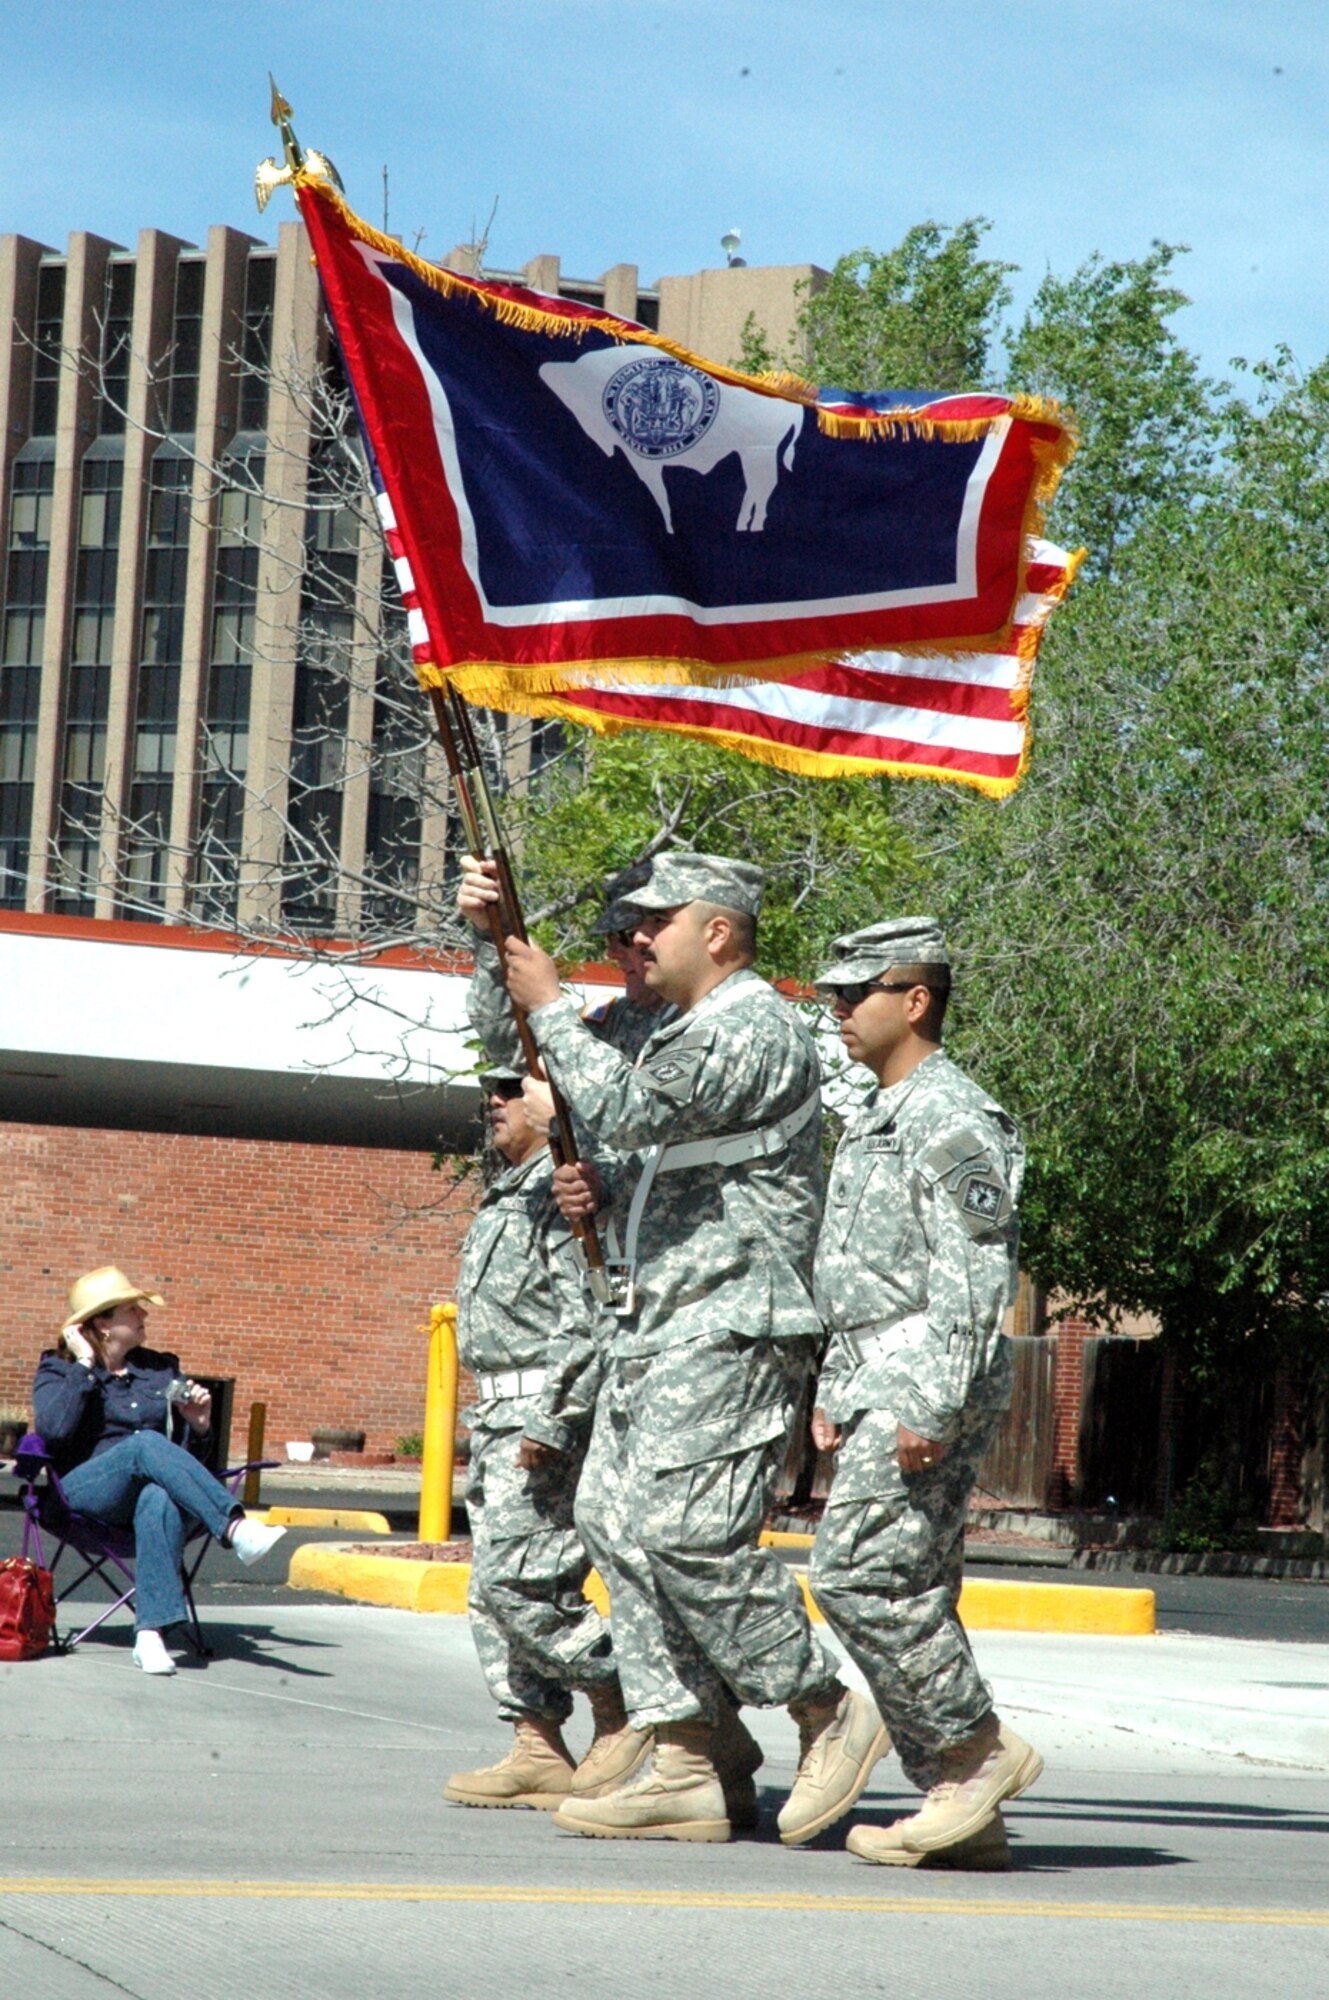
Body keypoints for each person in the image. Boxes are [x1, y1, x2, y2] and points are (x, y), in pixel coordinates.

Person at [502, 852, 887, 1845]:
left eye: (653, 921)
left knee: (684, 1528)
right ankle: (688, 1749)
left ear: (717, 930)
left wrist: (549, 1006)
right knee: (615, 1519)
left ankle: (828, 1707)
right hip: (661, 1320)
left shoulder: (753, 1021)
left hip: (732, 1321)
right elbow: (662, 1155)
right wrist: (608, 1190)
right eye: (628, 925)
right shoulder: (688, 1029)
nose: (635, 940)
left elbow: (626, 1106)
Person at [806, 919, 1043, 1869]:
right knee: (911, 1584)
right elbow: (864, 1272)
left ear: (914, 1000)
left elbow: (975, 1275)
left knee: (859, 1574)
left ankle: (978, 1754)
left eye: (854, 993)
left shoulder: (952, 1116)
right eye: (831, 995)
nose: (837, 1011)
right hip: (879, 1370)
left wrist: (932, 1403)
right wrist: (836, 1382)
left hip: (924, 1374)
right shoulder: (878, 1112)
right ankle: (961, 1808)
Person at [443, 1068, 641, 1811]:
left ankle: (625, 1699)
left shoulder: (562, 1191)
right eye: (485, 1089)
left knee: (519, 1582)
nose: (491, 1101)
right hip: (494, 1417)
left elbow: (584, 1312)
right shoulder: (511, 1190)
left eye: (507, 1086)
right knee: (490, 1594)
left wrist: (553, 1417)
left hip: (537, 1414)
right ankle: (535, 1741)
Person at [31, 1266, 286, 1675]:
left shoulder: (159, 1369)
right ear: (102, 1322)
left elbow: (187, 1457)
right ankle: (236, 1529)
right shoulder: (59, 1370)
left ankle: (149, 1635)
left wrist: (199, 1425)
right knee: (145, 1444)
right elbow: (54, 1430)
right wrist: (83, 1364)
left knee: (159, 1496)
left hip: (143, 1499)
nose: (144, 1316)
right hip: (84, 1494)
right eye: (133, 1310)